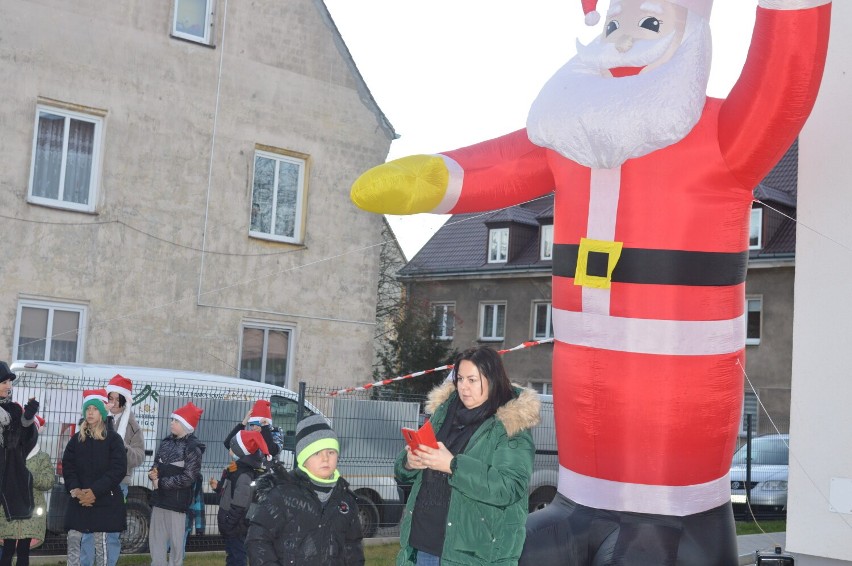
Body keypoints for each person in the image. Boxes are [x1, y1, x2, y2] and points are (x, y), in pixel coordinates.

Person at [350, 0, 832, 562]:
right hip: (576, 493)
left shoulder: (720, 136)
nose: (624, 39)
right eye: (614, 24)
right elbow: (494, 166)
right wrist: (425, 178)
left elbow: (785, 80)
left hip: (672, 498)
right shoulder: (572, 140)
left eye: (649, 23)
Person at [393, 346, 539, 566]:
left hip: (472, 554)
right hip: (423, 544)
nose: (464, 387)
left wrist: (453, 465)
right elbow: (407, 470)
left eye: (472, 380)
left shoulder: (510, 424)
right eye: (460, 378)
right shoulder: (445, 412)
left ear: (492, 379)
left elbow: (510, 487)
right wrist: (410, 462)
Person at [245, 414, 365, 566]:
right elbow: (258, 540)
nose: (325, 458)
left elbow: (353, 549)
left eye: (331, 452)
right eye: (316, 453)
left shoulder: (346, 501)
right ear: (303, 458)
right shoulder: (282, 494)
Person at [80, 374, 146, 565]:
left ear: (126, 401)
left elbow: (139, 456)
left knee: (112, 532)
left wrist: (122, 449)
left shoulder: (133, 427)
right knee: (88, 530)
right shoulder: (95, 419)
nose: (114, 402)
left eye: (119, 399)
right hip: (93, 483)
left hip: (119, 484)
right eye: (111, 398)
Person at [62, 389, 128, 566]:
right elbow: (68, 467)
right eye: (88, 408)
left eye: (95, 409)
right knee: (75, 541)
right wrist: (76, 490)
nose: (90, 412)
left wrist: (95, 491)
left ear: (102, 412)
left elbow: (118, 469)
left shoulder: (113, 439)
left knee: (103, 547)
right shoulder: (76, 439)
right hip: (79, 501)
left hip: (105, 501)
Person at [148, 402, 205, 566]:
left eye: (176, 420)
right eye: (172, 420)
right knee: (156, 542)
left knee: (176, 545)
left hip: (177, 504)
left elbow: (189, 477)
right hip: (159, 501)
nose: (172, 422)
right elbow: (156, 465)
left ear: (186, 425)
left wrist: (161, 482)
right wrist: (153, 474)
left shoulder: (193, 448)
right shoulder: (166, 442)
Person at [0, 414, 53, 566]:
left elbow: (48, 481)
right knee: (7, 551)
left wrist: (28, 477)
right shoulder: (7, 455)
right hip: (9, 511)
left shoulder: (42, 457)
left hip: (32, 512)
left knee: (23, 552)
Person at [214, 430, 269, 566]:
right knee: (232, 555)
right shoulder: (236, 470)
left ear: (241, 452)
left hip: (236, 526)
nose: (229, 450)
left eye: (232, 448)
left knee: (238, 557)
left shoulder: (243, 474)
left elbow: (240, 503)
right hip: (234, 525)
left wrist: (229, 523)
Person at [0, 362, 39, 528]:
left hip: (8, 475)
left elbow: (22, 444)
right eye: (4, 382)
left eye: (10, 382)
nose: (9, 386)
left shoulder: (14, 409)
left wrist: (27, 420)